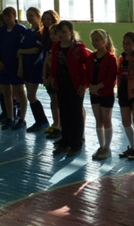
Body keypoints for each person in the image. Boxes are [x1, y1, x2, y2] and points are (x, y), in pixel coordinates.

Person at [50, 20, 90, 157]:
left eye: (64, 32)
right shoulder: (56, 46)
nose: (61, 34)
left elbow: (88, 67)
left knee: (76, 114)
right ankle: (65, 140)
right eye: (59, 32)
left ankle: (76, 143)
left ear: (71, 33)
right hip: (61, 84)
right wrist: (52, 77)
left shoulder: (78, 48)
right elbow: (54, 63)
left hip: (75, 86)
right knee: (64, 113)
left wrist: (83, 84)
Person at [86, 29, 117, 160]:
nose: (95, 42)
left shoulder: (110, 58)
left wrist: (98, 86)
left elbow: (112, 77)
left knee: (106, 119)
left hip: (106, 93)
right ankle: (101, 146)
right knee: (98, 120)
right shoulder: (90, 58)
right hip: (94, 93)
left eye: (97, 40)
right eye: (93, 40)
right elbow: (87, 74)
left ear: (104, 41)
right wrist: (90, 86)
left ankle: (107, 148)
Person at [0, 7, 29, 131]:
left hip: (15, 65)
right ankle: (10, 117)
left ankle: (22, 119)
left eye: (9, 16)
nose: (7, 18)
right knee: (6, 92)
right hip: (4, 65)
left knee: (19, 92)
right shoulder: (2, 31)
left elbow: (22, 50)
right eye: (5, 16)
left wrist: (20, 66)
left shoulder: (21, 30)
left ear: (14, 16)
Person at [18, 7, 50, 132]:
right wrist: (21, 66)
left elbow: (36, 50)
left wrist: (22, 51)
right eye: (27, 15)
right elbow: (20, 50)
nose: (29, 18)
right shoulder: (27, 32)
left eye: (32, 15)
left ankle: (42, 121)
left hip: (35, 67)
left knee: (31, 95)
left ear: (38, 16)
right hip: (26, 66)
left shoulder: (40, 33)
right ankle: (39, 121)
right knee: (30, 95)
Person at [116, 32, 134, 161]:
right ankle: (132, 146)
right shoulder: (121, 58)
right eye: (124, 43)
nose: (125, 46)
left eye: (128, 43)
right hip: (123, 93)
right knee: (126, 121)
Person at [40, 10, 61, 136]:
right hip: (48, 73)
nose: (46, 21)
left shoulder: (60, 44)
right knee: (53, 100)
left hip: (56, 76)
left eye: (49, 19)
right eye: (44, 19)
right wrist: (45, 76)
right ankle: (55, 124)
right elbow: (46, 60)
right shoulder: (45, 37)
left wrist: (50, 77)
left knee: (58, 101)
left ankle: (60, 126)